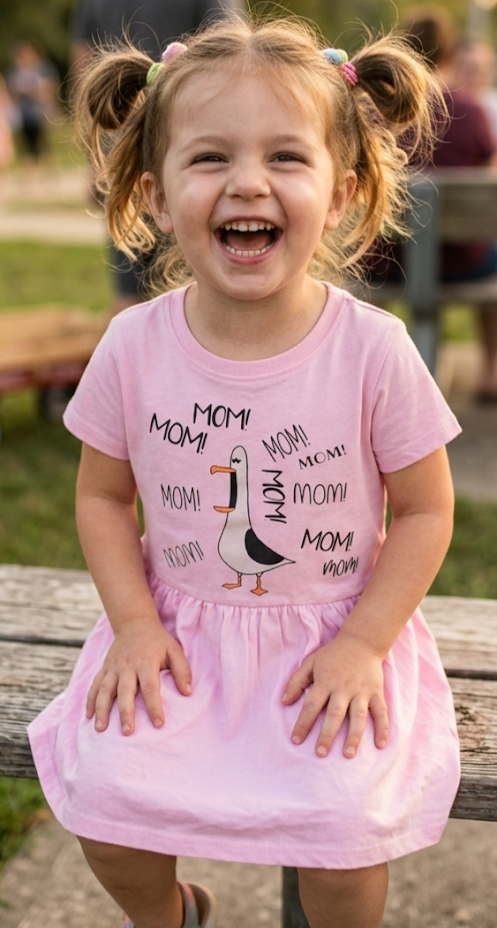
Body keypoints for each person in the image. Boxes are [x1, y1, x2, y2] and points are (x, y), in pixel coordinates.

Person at [27, 16, 462, 928]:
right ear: (153, 192)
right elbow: (105, 497)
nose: (247, 183)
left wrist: (361, 646)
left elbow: (423, 513)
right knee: (106, 808)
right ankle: (174, 916)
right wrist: (135, 628)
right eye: (210, 158)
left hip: (331, 641)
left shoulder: (372, 351)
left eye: (285, 159)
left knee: (343, 837)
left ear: (341, 191)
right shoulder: (133, 346)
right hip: (175, 638)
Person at [70, 0, 244, 313]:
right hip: (193, 155)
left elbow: (83, 67)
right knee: (200, 294)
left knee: (128, 291)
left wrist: (92, 158)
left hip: (120, 149)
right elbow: (232, 54)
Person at [373, 5, 497, 402]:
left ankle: (376, 375)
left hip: (386, 264)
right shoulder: (472, 110)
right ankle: (492, 371)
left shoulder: (376, 114)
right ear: (449, 54)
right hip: (460, 263)